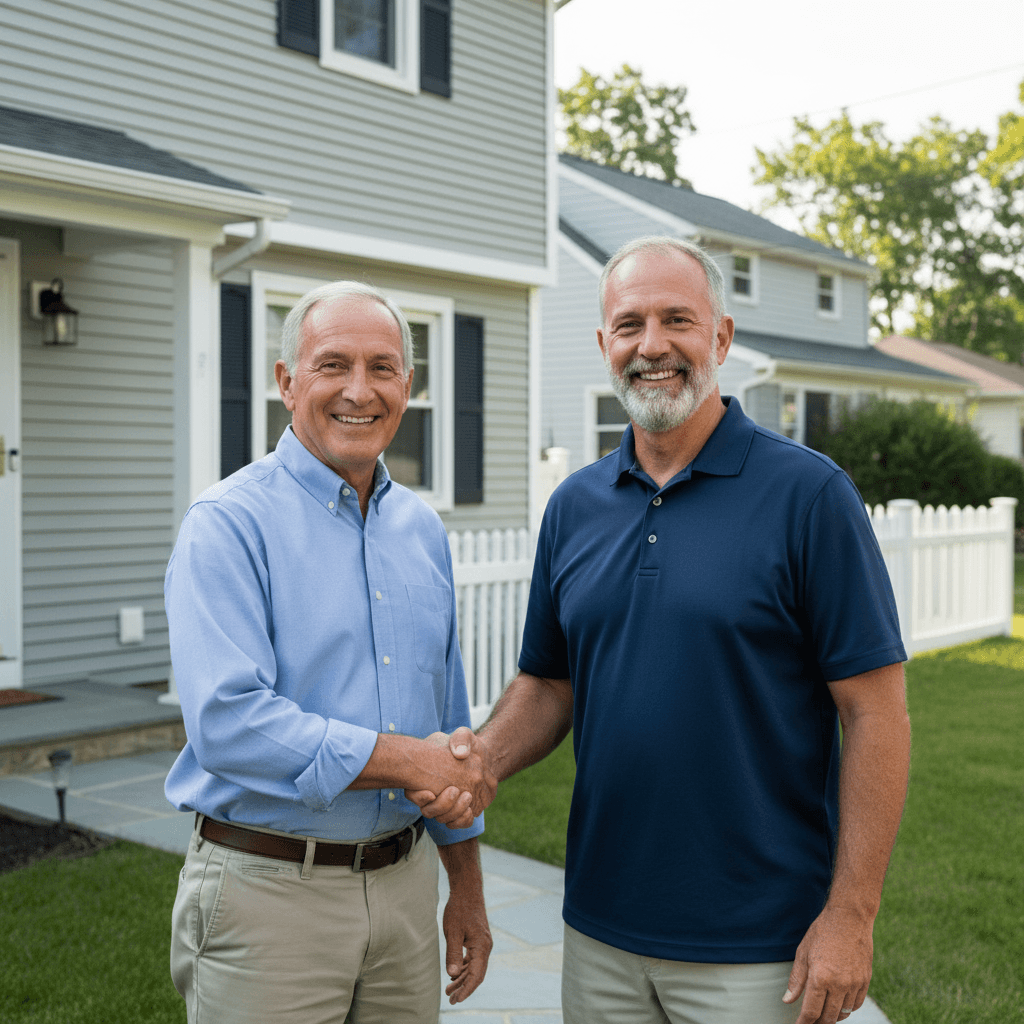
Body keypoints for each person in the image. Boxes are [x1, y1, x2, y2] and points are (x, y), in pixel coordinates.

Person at [436, 236, 911, 1024]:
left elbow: (876, 713)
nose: (651, 346)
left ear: (720, 337)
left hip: (760, 946)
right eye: (629, 325)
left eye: (676, 320)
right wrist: (480, 760)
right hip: (599, 933)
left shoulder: (809, 496)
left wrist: (852, 915)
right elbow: (551, 681)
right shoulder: (575, 506)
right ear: (603, 345)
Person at [164, 280, 496, 1024]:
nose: (359, 390)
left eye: (382, 368)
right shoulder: (228, 526)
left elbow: (445, 714)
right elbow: (229, 723)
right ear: (287, 382)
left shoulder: (421, 530)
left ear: (407, 387)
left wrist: (464, 886)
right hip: (270, 893)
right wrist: (411, 761)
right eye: (332, 365)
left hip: (406, 890)